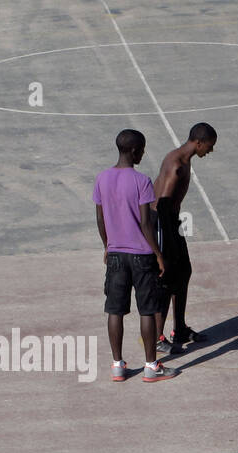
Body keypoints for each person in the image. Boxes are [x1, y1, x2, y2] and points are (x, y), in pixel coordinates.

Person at [93, 129, 174, 382]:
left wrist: (108, 245)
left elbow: (100, 218)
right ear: (133, 150)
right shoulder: (142, 181)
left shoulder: (101, 179)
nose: (143, 153)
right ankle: (151, 366)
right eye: (142, 149)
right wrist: (159, 255)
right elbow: (146, 223)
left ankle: (117, 364)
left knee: (115, 310)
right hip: (141, 254)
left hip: (116, 254)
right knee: (147, 310)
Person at [153, 122, 217, 353]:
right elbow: (162, 204)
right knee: (166, 280)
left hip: (172, 224)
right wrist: (167, 240)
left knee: (184, 272)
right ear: (198, 142)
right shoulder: (176, 166)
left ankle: (179, 328)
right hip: (164, 226)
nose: (210, 151)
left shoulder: (183, 159)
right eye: (209, 147)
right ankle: (157, 338)